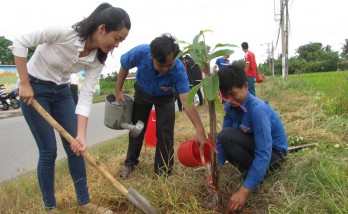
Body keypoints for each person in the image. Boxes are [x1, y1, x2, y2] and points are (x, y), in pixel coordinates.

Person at [9, 3, 131, 213]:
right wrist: (24, 82)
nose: (117, 45)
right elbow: (20, 42)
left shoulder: (97, 59)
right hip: (35, 90)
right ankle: (51, 207)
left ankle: (85, 202)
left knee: (77, 149)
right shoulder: (64, 32)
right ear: (102, 29)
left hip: (63, 92)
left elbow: (85, 97)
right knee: (48, 151)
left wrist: (81, 136)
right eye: (117, 38)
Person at [115, 34, 207, 178]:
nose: (165, 69)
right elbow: (124, 65)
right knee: (137, 128)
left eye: (169, 65)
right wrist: (118, 90)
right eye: (161, 65)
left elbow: (186, 100)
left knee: (165, 133)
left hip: (165, 97)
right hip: (142, 92)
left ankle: (163, 171)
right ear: (152, 56)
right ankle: (130, 163)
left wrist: (200, 129)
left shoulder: (178, 69)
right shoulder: (140, 52)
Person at [206, 64, 288, 213]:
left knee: (226, 135)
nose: (230, 100)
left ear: (245, 86)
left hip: (274, 157)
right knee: (224, 138)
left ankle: (255, 178)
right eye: (225, 96)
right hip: (255, 149)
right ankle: (252, 174)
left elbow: (264, 152)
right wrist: (216, 168)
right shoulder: (230, 107)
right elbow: (223, 143)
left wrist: (244, 191)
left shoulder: (258, 109)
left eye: (233, 94)